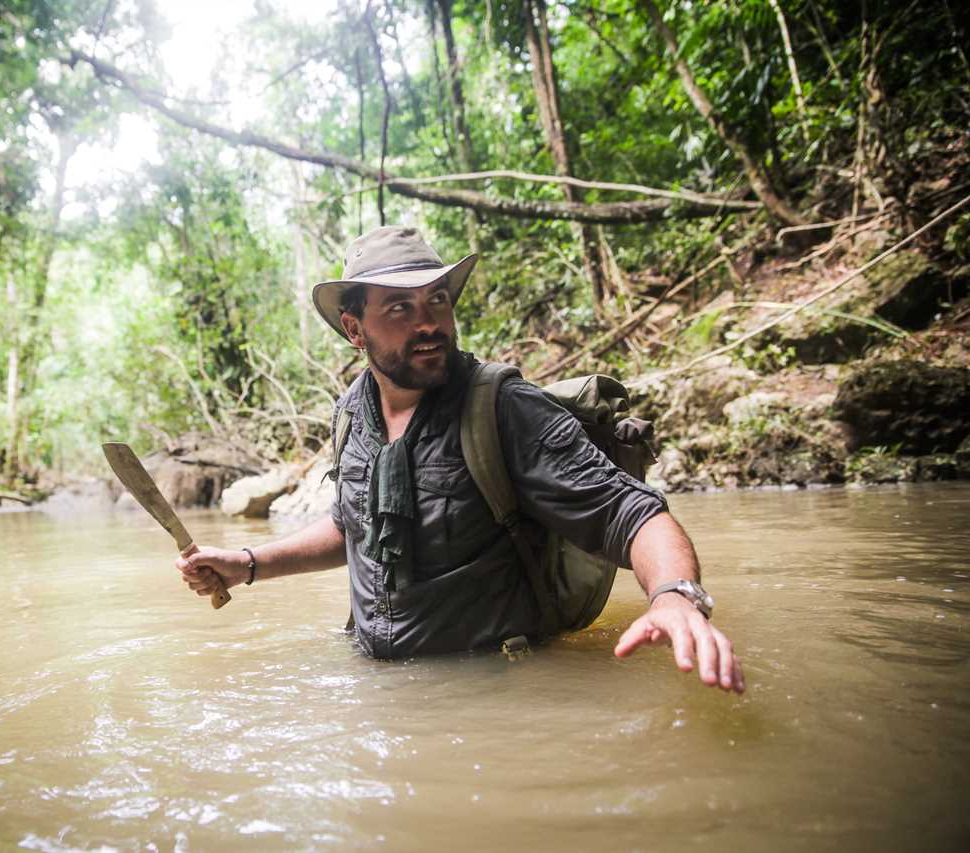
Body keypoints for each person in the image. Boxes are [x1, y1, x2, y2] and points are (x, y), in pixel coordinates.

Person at [178, 225, 744, 692]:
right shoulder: (352, 413)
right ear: (355, 329)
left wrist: (676, 597)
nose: (427, 322)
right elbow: (353, 524)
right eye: (399, 308)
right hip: (386, 701)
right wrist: (249, 564)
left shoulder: (500, 407)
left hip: (500, 699)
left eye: (437, 300)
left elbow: (630, 511)